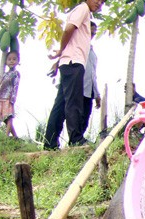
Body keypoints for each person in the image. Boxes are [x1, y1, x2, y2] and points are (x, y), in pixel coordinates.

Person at [44, 0, 106, 150]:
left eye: (103, 2)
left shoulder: (84, 11)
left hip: (69, 62)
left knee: (61, 104)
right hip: (74, 62)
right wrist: (60, 50)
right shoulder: (83, 9)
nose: (99, 3)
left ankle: (50, 142)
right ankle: (76, 139)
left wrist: (61, 57)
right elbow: (68, 29)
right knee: (73, 102)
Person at [0, 50, 20, 138]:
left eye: (14, 59)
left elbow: (16, 86)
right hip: (1, 97)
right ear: (6, 62)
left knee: (9, 116)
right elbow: (0, 86)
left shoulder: (15, 74)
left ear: (18, 61)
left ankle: (6, 136)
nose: (12, 61)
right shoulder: (4, 74)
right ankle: (15, 136)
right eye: (9, 59)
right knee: (4, 118)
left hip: (8, 97)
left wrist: (13, 98)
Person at [82, 21, 101, 136]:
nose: (92, 35)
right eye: (90, 32)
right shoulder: (78, 47)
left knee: (85, 117)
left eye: (94, 33)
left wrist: (97, 94)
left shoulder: (91, 50)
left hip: (89, 90)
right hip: (78, 88)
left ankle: (78, 141)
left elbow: (92, 74)